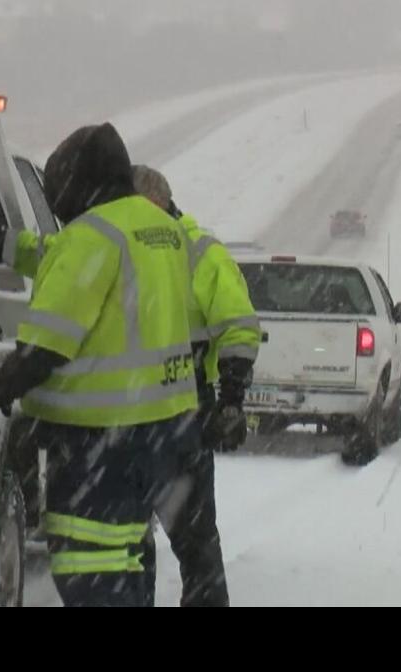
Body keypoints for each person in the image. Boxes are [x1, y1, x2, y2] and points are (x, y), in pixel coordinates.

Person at [0, 123, 199, 607]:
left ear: (78, 180)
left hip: (102, 440)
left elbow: (48, 344)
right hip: (163, 428)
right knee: (126, 558)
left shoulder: (91, 236)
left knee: (89, 569)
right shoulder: (160, 228)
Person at [132, 165, 261, 607]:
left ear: (160, 206)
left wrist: (231, 400)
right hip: (136, 411)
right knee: (134, 542)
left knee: (192, 542)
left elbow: (238, 325)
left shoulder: (197, 249)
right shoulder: (121, 243)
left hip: (179, 414)